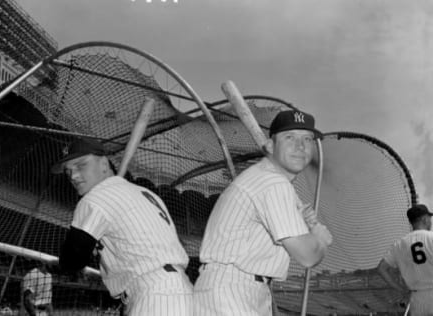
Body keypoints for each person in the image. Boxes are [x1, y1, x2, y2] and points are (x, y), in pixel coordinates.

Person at [193, 109, 333, 316]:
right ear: (270, 146)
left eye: (307, 139)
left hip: (244, 288)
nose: (300, 146)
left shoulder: (270, 179)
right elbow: (307, 256)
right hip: (231, 289)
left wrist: (299, 221)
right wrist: (319, 240)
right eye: (289, 137)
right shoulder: (272, 182)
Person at [53, 138, 193, 316]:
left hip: (154, 296)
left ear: (104, 163)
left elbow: (71, 261)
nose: (73, 176)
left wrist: (87, 248)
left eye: (81, 165)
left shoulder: (94, 198)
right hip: (181, 291)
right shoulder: (145, 193)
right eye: (68, 171)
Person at [377, 204, 433, 315]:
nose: (430, 222)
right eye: (429, 218)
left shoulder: (399, 244)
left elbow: (381, 268)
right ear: (424, 219)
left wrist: (400, 288)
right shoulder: (431, 237)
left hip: (417, 298)